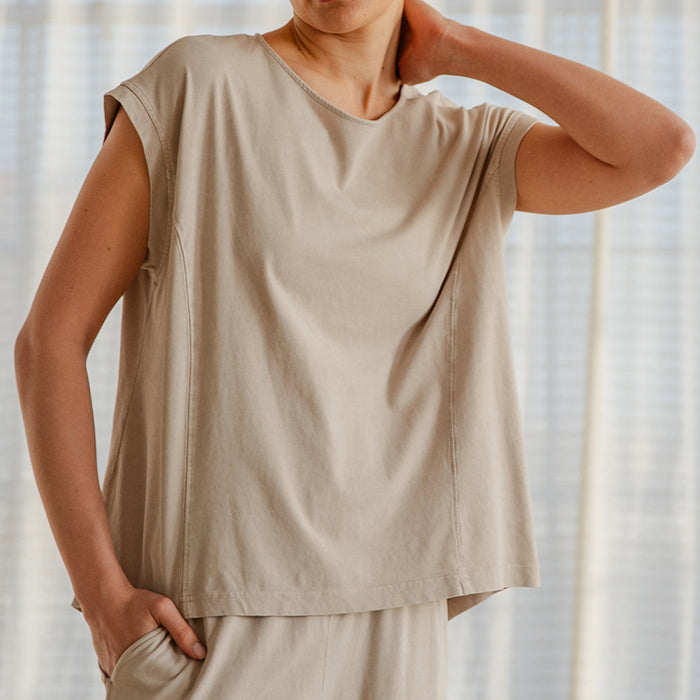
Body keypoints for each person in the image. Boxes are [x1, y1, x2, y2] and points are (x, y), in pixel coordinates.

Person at [14, 0, 694, 698]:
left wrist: (458, 47)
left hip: (396, 615)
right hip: (213, 620)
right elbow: (49, 342)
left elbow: (659, 148)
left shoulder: (464, 145)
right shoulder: (197, 88)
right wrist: (102, 595)